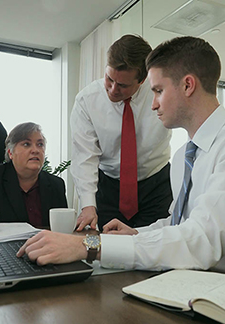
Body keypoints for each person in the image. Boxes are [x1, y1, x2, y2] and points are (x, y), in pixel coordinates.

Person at [17, 37, 225, 283]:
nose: (153, 104)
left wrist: (88, 246)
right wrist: (136, 234)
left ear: (188, 85)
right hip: (200, 283)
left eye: (158, 91)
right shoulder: (184, 157)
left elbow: (201, 240)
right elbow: (179, 225)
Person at [71, 34, 172, 231]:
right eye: (109, 79)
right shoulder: (86, 100)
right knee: (105, 249)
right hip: (109, 186)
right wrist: (88, 205)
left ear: (142, 80)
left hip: (155, 184)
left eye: (123, 85)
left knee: (155, 248)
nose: (113, 89)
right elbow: (85, 156)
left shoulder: (161, 94)